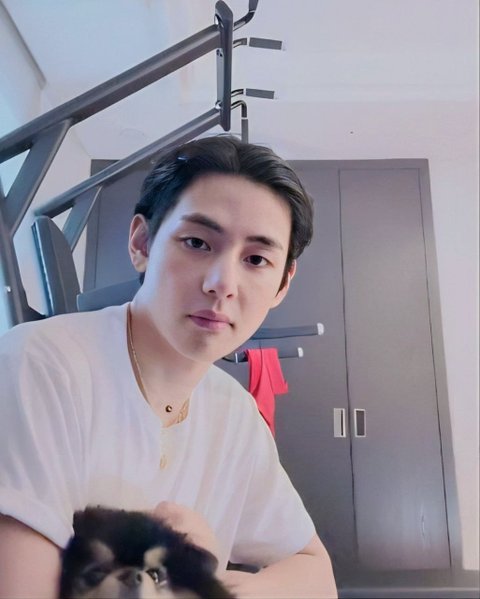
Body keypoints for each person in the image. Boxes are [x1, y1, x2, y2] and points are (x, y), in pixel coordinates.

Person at [0, 135, 337, 598]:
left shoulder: (236, 414)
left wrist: (213, 586)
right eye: (197, 242)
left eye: (257, 259)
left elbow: (316, 574)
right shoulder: (40, 366)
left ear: (282, 284)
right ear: (142, 242)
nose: (222, 283)